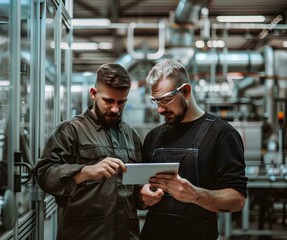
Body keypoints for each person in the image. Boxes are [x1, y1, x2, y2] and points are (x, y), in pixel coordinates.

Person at [138, 58, 248, 240]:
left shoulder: (221, 134)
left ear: (186, 91)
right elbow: (139, 196)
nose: (159, 109)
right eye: (155, 101)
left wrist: (195, 195)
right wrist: (142, 199)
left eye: (165, 100)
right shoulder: (153, 137)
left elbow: (237, 200)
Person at [35, 63, 142, 240]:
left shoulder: (131, 135)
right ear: (93, 93)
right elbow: (44, 174)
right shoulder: (70, 130)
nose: (115, 109)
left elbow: (135, 188)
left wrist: (144, 196)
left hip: (126, 234)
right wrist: (85, 172)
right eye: (109, 101)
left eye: (121, 102)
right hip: (84, 234)